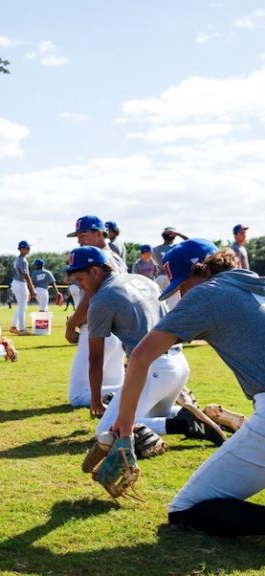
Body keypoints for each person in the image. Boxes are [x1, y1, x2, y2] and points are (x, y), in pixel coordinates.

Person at [111, 240, 265, 536]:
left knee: (187, 509)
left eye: (182, 287)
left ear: (200, 271)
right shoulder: (250, 284)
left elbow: (142, 355)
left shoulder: (207, 294)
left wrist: (126, 428)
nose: (181, 296)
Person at [66, 245, 225, 448]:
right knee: (156, 413)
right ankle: (211, 417)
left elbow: (95, 358)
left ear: (96, 271)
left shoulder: (101, 299)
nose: (80, 286)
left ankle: (185, 424)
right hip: (178, 364)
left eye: (80, 279)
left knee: (106, 430)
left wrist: (96, 401)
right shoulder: (141, 279)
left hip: (151, 369)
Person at [64, 215, 126, 409]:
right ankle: (146, 390)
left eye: (83, 234)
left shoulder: (101, 258)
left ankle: (145, 388)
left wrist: (71, 323)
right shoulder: (114, 255)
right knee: (112, 388)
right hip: (117, 327)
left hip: (99, 326)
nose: (79, 239)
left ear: (100, 233)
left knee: (78, 396)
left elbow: (92, 296)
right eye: (78, 235)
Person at [152, 227, 189, 311]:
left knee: (159, 305)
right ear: (174, 236)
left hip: (159, 278)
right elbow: (191, 242)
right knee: (173, 305)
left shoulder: (155, 249)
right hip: (172, 278)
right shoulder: (177, 247)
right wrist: (179, 234)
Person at [9, 241, 35, 335]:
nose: (29, 249)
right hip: (20, 283)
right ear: (22, 249)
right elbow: (26, 275)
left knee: (21, 306)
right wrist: (32, 289)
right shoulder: (23, 260)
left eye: (29, 248)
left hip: (16, 282)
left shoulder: (17, 259)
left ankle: (14, 326)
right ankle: (22, 329)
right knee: (22, 307)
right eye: (27, 248)